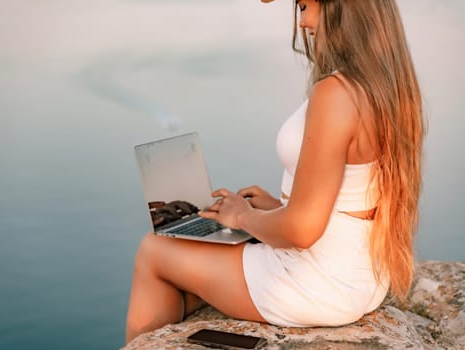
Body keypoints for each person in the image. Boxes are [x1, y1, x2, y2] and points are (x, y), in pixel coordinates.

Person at [125, 0, 424, 343]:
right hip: (361, 276)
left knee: (154, 250)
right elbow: (352, 199)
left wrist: (242, 217)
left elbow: (301, 230)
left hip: (319, 282)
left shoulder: (336, 93)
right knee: (189, 270)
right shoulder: (384, 86)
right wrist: (277, 208)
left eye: (304, 6)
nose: (302, 22)